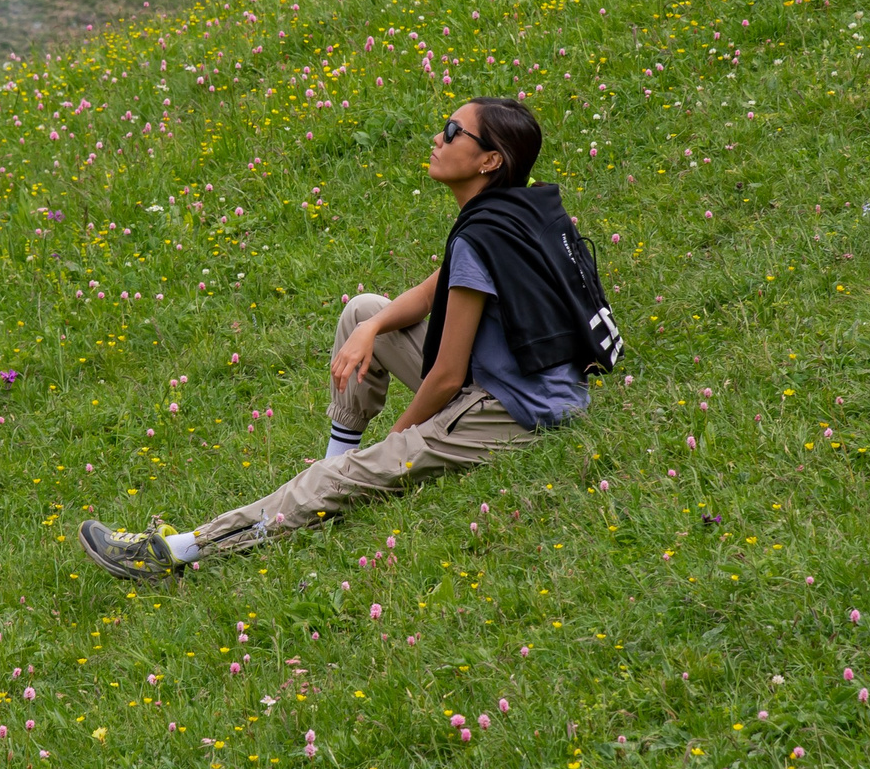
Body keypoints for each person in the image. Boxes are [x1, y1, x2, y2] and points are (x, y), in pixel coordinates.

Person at [80, 96, 618, 581]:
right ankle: (338, 458)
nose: (438, 137)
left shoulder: (483, 235)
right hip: (528, 380)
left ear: (490, 160)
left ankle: (176, 552)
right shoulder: (512, 212)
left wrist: (396, 441)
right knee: (363, 311)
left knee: (358, 469)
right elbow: (429, 294)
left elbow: (447, 376)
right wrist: (369, 328)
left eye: (454, 132)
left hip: (516, 410)